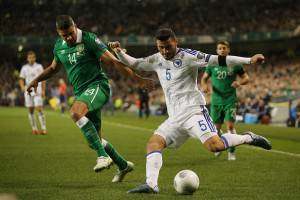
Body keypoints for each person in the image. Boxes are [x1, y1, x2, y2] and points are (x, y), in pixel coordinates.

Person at [108, 28, 272, 194]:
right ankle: (151, 184)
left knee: (215, 146)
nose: (164, 51)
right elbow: (135, 64)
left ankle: (248, 137)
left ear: (175, 42)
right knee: (153, 144)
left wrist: (249, 60)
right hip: (175, 117)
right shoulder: (156, 59)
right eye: (160, 47)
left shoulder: (189, 56)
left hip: (194, 111)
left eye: (168, 47)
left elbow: (218, 60)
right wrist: (118, 52)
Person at [26, 15, 154, 182]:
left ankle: (102, 157)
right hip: (81, 93)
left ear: (75, 26)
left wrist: (138, 79)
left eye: (71, 33)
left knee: (75, 112)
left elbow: (113, 61)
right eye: (64, 35)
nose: (69, 37)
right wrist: (36, 80)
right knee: (95, 141)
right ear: (59, 34)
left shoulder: (89, 39)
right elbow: (53, 68)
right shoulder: (59, 46)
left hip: (98, 86)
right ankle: (123, 165)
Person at [201, 41, 250, 160]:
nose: (222, 50)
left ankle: (232, 152)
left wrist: (239, 82)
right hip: (216, 101)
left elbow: (246, 78)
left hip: (230, 100)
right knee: (215, 129)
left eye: (224, 48)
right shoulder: (212, 64)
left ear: (228, 50)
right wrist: (204, 85)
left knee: (230, 126)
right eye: (220, 48)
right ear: (217, 51)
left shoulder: (235, 64)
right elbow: (204, 79)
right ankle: (219, 146)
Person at [19, 51, 47, 135]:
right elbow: (21, 79)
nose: (31, 59)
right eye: (30, 57)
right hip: (28, 91)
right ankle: (34, 128)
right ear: (27, 59)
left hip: (37, 90)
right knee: (31, 110)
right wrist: (22, 87)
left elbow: (43, 79)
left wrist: (43, 90)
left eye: (33, 57)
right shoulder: (24, 68)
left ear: (35, 58)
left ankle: (43, 128)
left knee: (39, 108)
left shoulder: (39, 67)